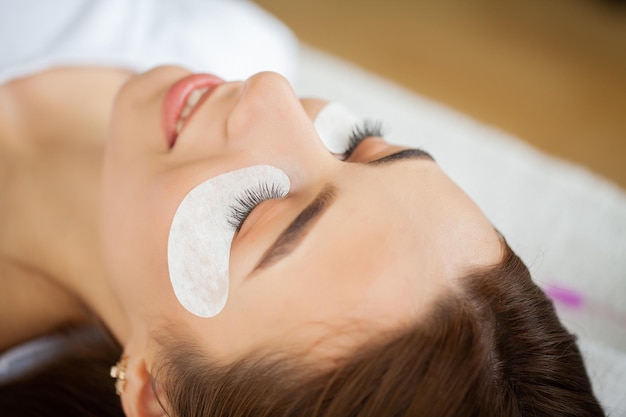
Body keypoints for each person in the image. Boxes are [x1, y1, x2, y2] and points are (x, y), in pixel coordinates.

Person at [0, 1, 605, 416]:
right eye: (356, 141)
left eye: (251, 211)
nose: (270, 92)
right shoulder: (220, 36)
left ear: (154, 394)